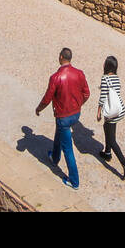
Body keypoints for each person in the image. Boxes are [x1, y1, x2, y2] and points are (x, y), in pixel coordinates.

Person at [34, 47, 89, 189]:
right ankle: (55, 157)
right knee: (59, 132)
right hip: (76, 114)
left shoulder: (55, 78)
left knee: (68, 149)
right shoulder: (79, 74)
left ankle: (74, 181)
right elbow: (86, 93)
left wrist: (39, 109)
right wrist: (77, 105)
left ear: (60, 57)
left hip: (63, 116)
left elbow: (47, 98)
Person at [95, 55, 125, 180]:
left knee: (112, 139)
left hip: (111, 112)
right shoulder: (116, 78)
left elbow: (103, 96)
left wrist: (99, 112)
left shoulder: (105, 78)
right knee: (108, 129)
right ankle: (107, 153)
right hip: (118, 111)